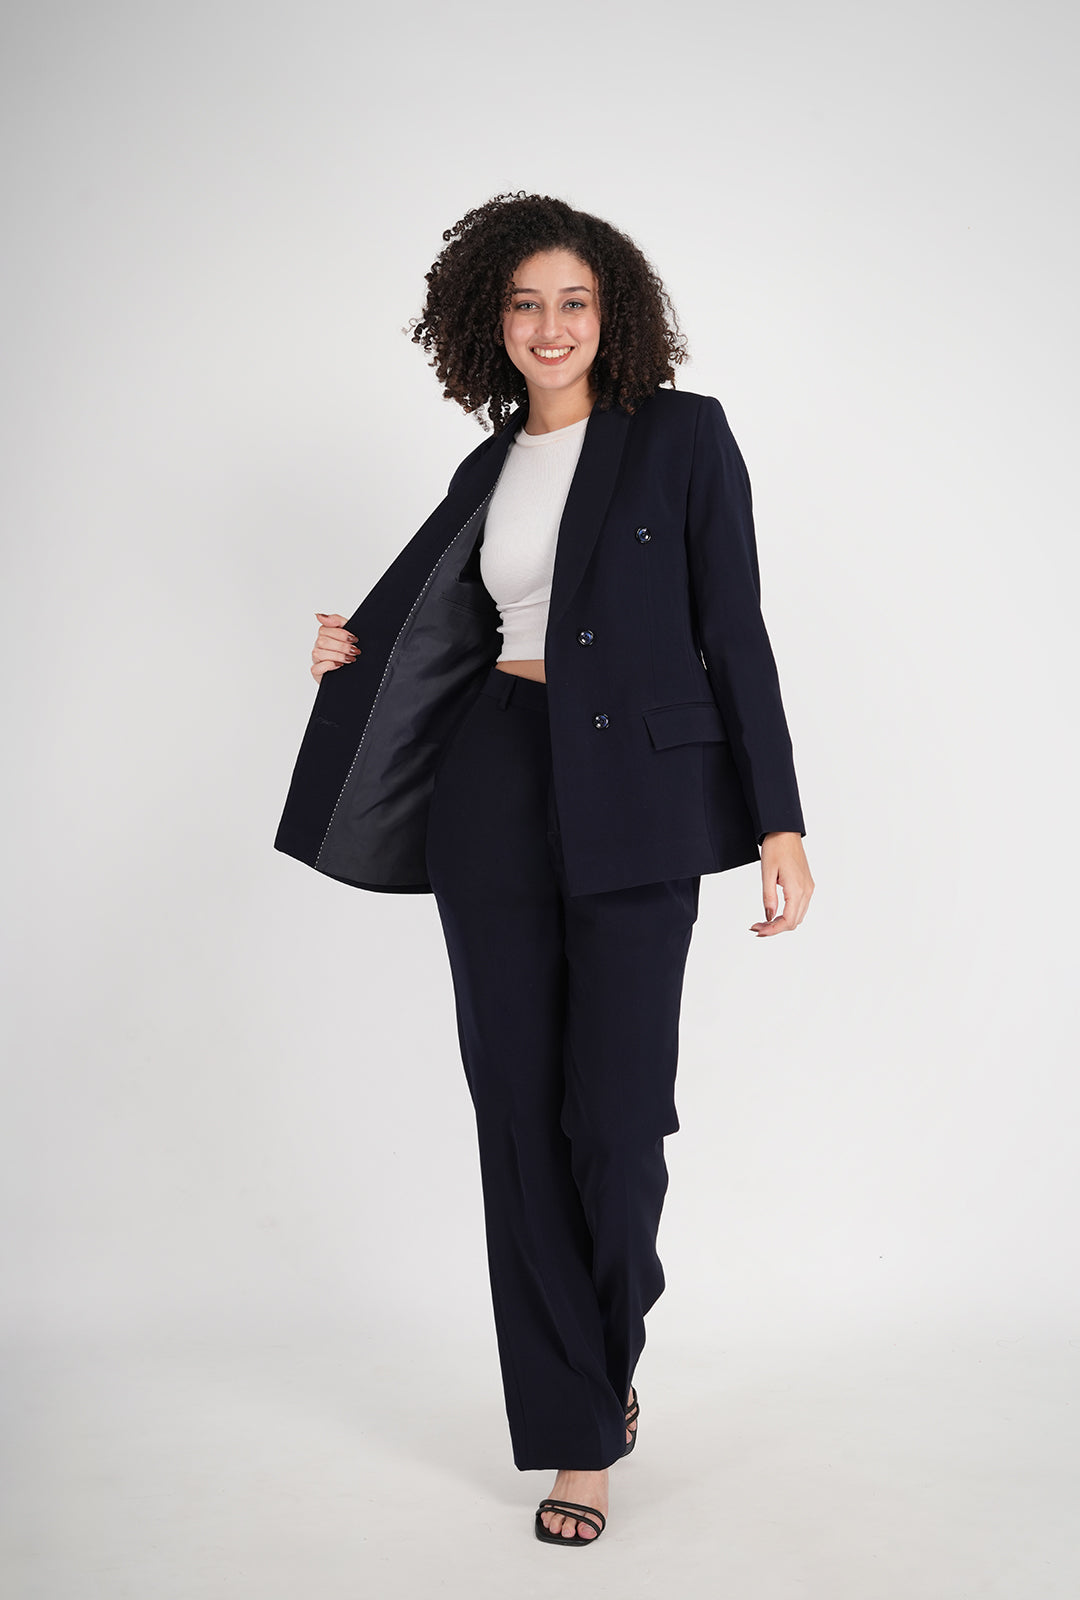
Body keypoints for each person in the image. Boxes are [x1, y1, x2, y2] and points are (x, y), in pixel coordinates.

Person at [278, 191, 815, 1546]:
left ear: (613, 312)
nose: (551, 325)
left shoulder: (683, 440)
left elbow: (734, 630)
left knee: (618, 1123)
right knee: (517, 1114)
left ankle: (606, 1348)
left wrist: (780, 823)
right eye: (525, 303)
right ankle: (579, 1438)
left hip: (643, 800)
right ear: (489, 324)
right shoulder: (489, 468)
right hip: (496, 786)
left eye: (574, 301)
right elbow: (438, 622)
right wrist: (358, 648)